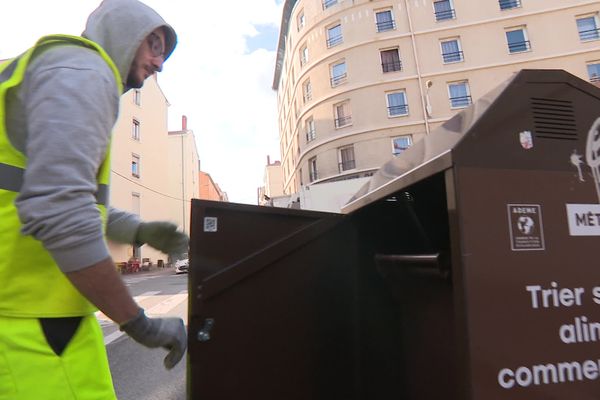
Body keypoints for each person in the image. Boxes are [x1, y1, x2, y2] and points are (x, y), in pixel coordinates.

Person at [0, 0, 189, 398]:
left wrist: (135, 227)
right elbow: (60, 211)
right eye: (154, 45)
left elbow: (49, 191)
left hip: (42, 317)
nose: (160, 64)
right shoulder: (84, 72)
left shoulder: (60, 71)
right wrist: (140, 323)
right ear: (124, 33)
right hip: (30, 327)